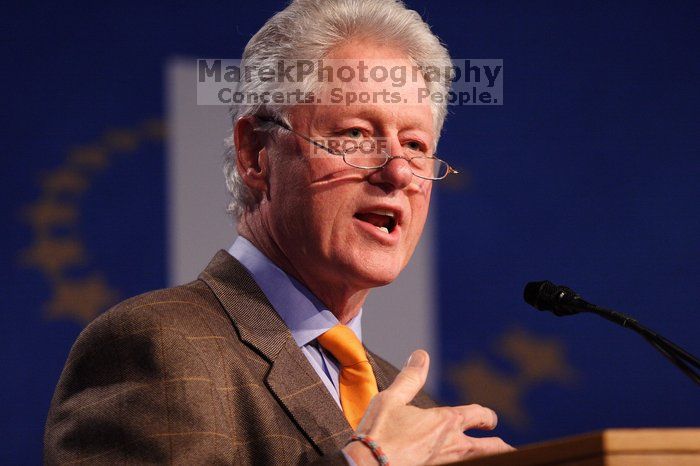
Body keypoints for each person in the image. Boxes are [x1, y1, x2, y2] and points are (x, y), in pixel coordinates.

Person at [44, 0, 513, 464]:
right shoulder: (157, 346)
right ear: (256, 155)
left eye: (415, 145)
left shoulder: (413, 416)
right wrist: (367, 462)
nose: (399, 173)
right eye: (354, 135)